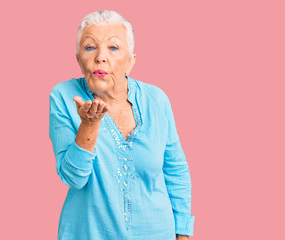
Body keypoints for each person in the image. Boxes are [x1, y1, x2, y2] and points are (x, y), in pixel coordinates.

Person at [49, 10, 194, 240]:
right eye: (89, 47)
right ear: (78, 59)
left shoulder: (157, 99)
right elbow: (73, 177)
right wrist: (89, 125)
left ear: (131, 61)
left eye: (113, 48)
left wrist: (183, 232)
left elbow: (175, 171)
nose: (100, 57)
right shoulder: (64, 96)